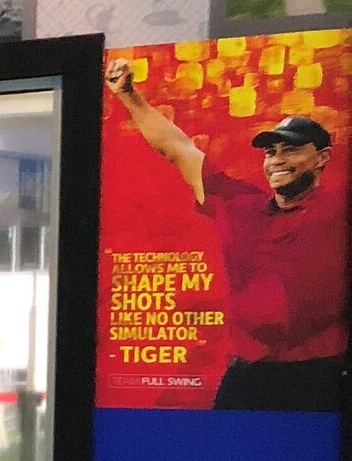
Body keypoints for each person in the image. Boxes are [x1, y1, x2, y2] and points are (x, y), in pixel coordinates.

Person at [107, 58, 349, 410]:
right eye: (271, 152)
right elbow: (176, 148)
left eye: (292, 149)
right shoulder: (239, 205)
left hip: (319, 376)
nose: (277, 160)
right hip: (247, 377)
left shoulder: (339, 211)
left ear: (322, 157)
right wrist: (129, 96)